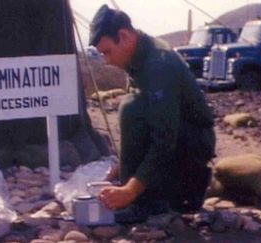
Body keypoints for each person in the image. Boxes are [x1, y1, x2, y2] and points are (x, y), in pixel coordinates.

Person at [89, 5, 216, 223]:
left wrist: (130, 191)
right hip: (179, 137)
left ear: (124, 36)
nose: (107, 60)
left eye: (107, 52)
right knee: (133, 107)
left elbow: (164, 139)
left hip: (192, 144)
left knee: (130, 109)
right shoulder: (139, 55)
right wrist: (123, 168)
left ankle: (148, 201)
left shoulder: (159, 65)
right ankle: (152, 194)